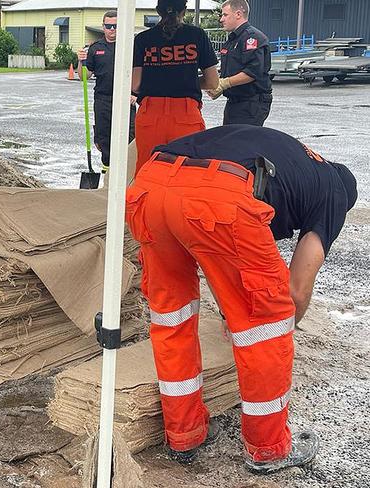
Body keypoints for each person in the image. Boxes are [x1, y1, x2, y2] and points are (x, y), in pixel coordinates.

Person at [126, 124, 357, 473]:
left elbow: (229, 262)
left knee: (172, 314)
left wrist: (231, 309)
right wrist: (271, 336)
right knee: (268, 320)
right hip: (218, 193)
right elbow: (296, 290)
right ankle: (269, 449)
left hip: (151, 183)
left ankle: (184, 435)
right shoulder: (334, 194)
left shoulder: (295, 161)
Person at [132, 0, 219, 176]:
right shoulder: (197, 35)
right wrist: (189, 81)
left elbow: (135, 85)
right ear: (184, 11)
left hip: (151, 113)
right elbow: (213, 82)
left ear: (158, 11)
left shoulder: (142, 39)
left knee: (148, 171)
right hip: (186, 114)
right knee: (186, 173)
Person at [77, 11, 136, 175]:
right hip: (103, 99)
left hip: (126, 99)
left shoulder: (130, 47)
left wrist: (136, 94)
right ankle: (107, 176)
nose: (112, 29)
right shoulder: (95, 49)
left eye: (115, 26)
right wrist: (80, 61)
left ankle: (127, 176)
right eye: (108, 26)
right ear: (103, 27)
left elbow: (141, 72)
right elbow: (84, 76)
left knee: (129, 138)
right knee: (104, 138)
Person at [208, 0, 272, 126]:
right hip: (235, 102)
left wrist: (224, 83)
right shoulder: (233, 40)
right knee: (230, 141)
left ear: (238, 14)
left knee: (242, 143)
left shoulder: (251, 38)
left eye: (225, 15)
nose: (221, 19)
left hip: (251, 103)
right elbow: (233, 69)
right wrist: (220, 85)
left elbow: (252, 72)